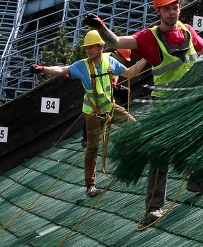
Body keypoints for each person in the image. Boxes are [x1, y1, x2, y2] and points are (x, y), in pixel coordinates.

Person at [84, 0, 203, 221]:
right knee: (160, 153)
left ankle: (199, 181)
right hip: (164, 104)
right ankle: (154, 207)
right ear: (158, 11)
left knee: (199, 139)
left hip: (189, 99)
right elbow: (116, 42)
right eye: (167, 9)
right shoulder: (149, 37)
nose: (172, 12)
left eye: (175, 7)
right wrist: (101, 27)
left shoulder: (186, 31)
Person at [32, 30, 146, 197]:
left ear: (100, 47)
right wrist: (43, 68)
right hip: (93, 113)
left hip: (110, 108)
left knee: (135, 127)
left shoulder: (109, 61)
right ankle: (90, 186)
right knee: (92, 148)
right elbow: (62, 69)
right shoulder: (81, 66)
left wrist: (146, 58)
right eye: (87, 48)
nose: (88, 50)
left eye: (91, 47)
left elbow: (130, 73)